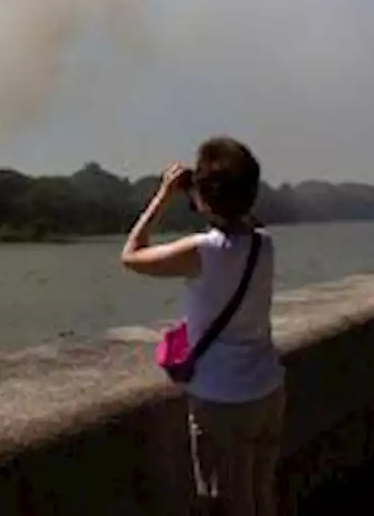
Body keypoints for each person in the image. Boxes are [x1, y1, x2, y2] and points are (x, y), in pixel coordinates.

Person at [120, 136, 286, 516]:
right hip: (268, 389)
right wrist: (206, 194)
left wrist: (163, 195)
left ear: (206, 198)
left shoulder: (201, 252)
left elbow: (130, 255)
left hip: (222, 398)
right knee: (263, 493)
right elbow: (240, 220)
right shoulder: (266, 244)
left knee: (230, 503)